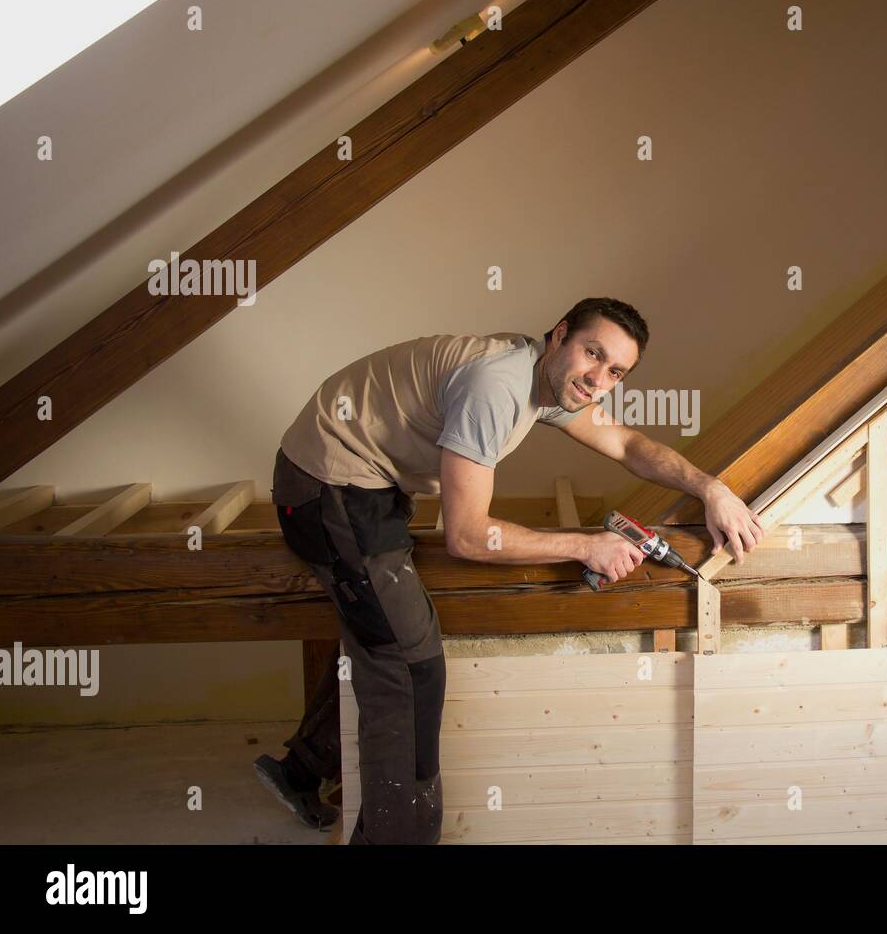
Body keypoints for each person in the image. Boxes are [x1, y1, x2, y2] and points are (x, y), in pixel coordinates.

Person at [255, 297, 765, 843]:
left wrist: (710, 488)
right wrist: (585, 548)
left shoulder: (548, 383)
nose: (597, 379)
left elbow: (626, 443)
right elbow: (468, 537)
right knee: (411, 664)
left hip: (371, 484)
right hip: (326, 485)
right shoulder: (496, 386)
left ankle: (299, 771)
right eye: (591, 353)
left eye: (614, 371)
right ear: (559, 335)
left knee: (383, 628)